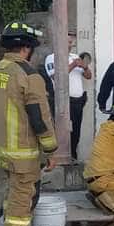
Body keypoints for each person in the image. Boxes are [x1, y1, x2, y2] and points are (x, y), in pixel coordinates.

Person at [0, 22, 58, 226]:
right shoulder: (28, 75)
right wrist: (50, 149)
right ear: (26, 48)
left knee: (13, 192)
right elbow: (39, 117)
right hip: (21, 151)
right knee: (24, 195)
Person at [44, 31, 93, 160]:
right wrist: (73, 65)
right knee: (63, 131)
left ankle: (73, 156)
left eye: (71, 42)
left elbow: (88, 76)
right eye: (67, 42)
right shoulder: (52, 57)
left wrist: (85, 67)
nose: (70, 45)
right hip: (64, 101)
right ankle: (60, 157)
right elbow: (56, 77)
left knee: (76, 131)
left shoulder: (75, 56)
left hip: (78, 101)